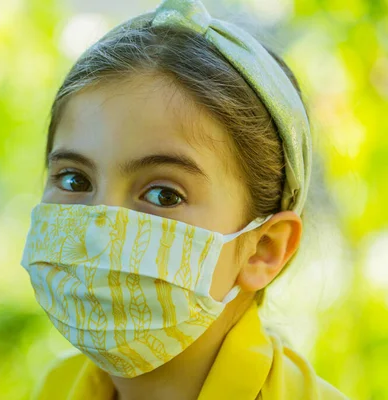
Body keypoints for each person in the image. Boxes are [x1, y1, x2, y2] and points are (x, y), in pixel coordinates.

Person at [20, 0, 348, 398]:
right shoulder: (54, 389)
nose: (96, 234)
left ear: (263, 248)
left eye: (163, 194)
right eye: (74, 180)